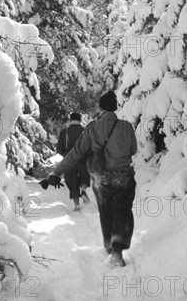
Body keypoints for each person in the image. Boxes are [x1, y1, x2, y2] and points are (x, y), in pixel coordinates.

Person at [48, 91, 137, 267]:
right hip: (124, 176)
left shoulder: (92, 128)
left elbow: (76, 153)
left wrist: (57, 172)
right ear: (115, 107)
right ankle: (118, 249)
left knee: (106, 212)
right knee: (123, 211)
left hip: (101, 178)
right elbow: (133, 150)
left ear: (101, 107)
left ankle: (109, 246)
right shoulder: (126, 127)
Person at [56, 112, 91, 211]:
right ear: (80, 120)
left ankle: (77, 205)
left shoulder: (64, 132)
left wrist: (65, 155)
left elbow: (59, 149)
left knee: (72, 182)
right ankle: (83, 190)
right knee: (84, 177)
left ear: (70, 120)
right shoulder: (85, 131)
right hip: (82, 160)